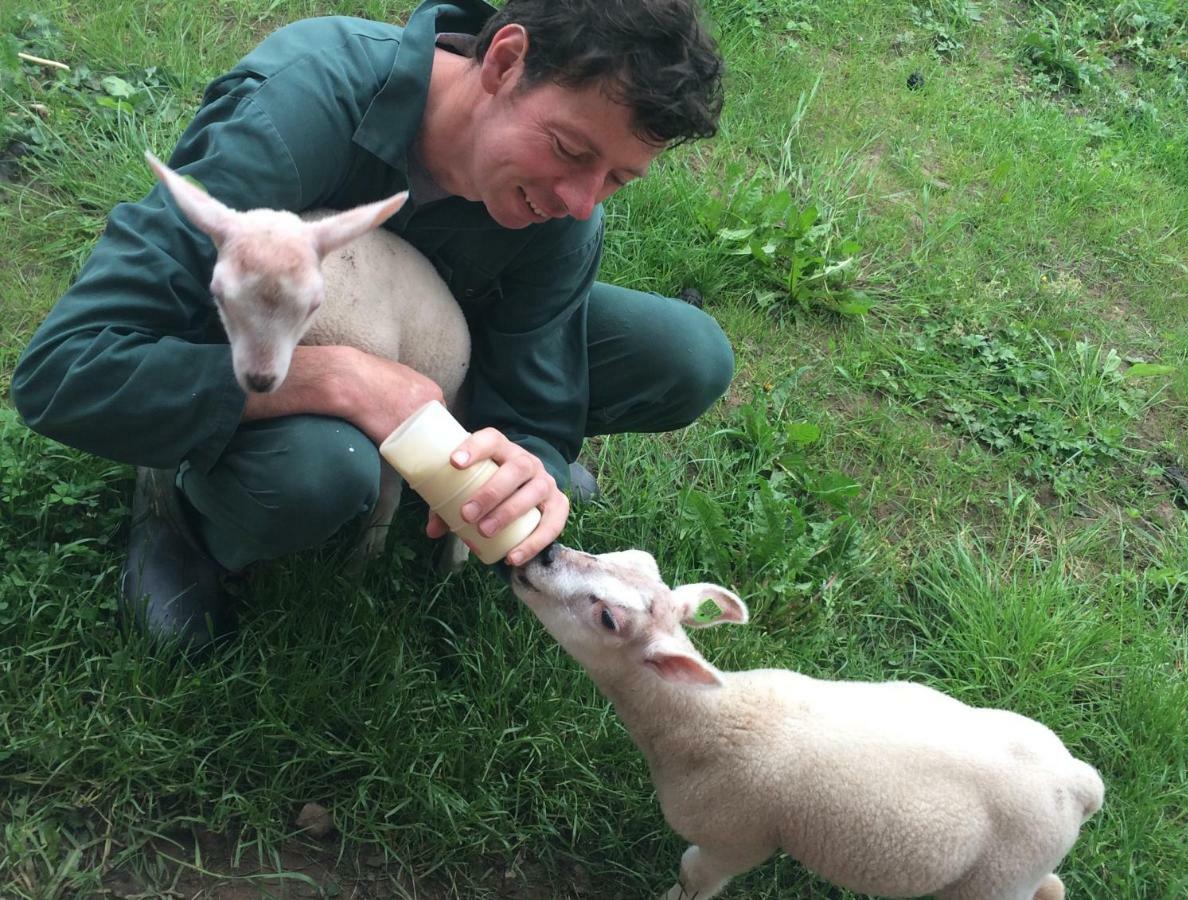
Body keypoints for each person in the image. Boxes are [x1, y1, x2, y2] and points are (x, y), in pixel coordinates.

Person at [10, 0, 733, 650]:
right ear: (505, 62)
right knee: (323, 473)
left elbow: (536, 413)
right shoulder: (294, 110)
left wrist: (530, 467)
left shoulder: (565, 214)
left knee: (684, 355)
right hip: (252, 350)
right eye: (572, 151)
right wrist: (340, 379)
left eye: (616, 178)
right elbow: (66, 373)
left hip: (434, 340)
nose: (582, 200)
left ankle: (436, 465)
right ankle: (183, 510)